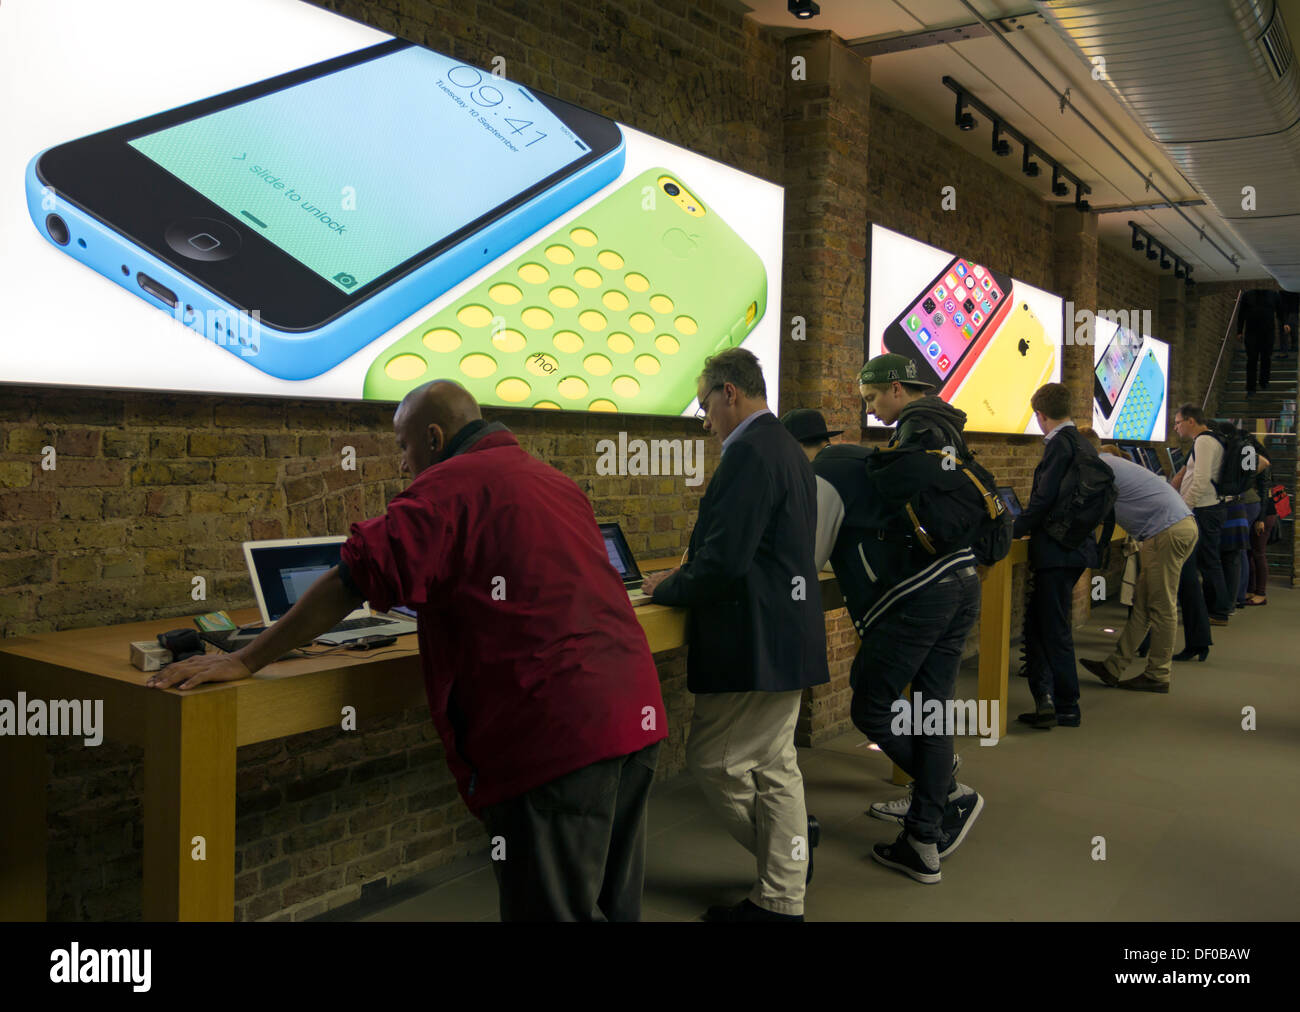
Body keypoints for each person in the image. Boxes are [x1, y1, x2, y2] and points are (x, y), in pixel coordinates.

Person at [148, 380, 668, 922]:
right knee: (613, 904)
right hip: (633, 715)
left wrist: (244, 657)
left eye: (403, 446)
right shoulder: (555, 482)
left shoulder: (445, 488)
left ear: (435, 437)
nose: (402, 464)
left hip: (557, 738)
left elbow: (352, 579)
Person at [640, 348, 828, 922]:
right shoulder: (786, 449)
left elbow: (724, 564)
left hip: (756, 641)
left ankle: (785, 871)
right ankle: (781, 890)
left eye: (705, 406)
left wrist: (663, 589)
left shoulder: (747, 452)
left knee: (716, 761)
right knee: (774, 765)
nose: (705, 420)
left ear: (729, 393)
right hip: (784, 634)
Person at [781, 357, 983, 887]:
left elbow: (809, 556)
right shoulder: (863, 457)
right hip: (960, 578)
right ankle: (926, 830)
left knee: (872, 705)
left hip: (916, 597)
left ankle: (941, 799)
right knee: (931, 706)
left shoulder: (822, 472)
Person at [1075, 430, 1198, 692]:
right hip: (1175, 527)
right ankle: (1114, 667)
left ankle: (1158, 675)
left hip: (1165, 531)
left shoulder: (1100, 467)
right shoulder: (1114, 463)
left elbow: (1085, 505)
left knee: (1162, 607)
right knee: (1142, 605)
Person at [1014, 383, 1100, 729]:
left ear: (1040, 415)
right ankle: (1045, 699)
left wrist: (1014, 528)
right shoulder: (1083, 443)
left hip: (1056, 550)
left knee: (1054, 629)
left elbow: (1044, 499)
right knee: (1040, 624)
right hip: (1077, 547)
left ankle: (1066, 705)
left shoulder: (1058, 446)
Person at [1172, 405, 1231, 627]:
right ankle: (1213, 608)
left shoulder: (1204, 441)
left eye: (1178, 422)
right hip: (1207, 507)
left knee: (1208, 561)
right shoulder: (1209, 440)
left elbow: (1201, 479)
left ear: (1190, 421)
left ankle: (1218, 610)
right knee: (1207, 560)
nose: (1176, 428)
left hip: (1205, 509)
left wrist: (1184, 508)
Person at [1236, 289, 1283, 395]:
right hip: (1251, 332)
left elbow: (1280, 311)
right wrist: (1239, 331)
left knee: (1266, 358)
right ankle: (1251, 387)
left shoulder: (1273, 294)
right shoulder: (1247, 295)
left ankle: (1264, 381)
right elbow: (1241, 314)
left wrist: (1284, 323)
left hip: (1268, 332)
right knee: (1252, 360)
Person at [1278, 289, 1297, 359]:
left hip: (1286, 312)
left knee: (1284, 333)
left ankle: (1284, 352)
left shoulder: (1283, 290)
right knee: (1293, 331)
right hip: (1293, 311)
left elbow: (1283, 304)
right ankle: (1294, 349)